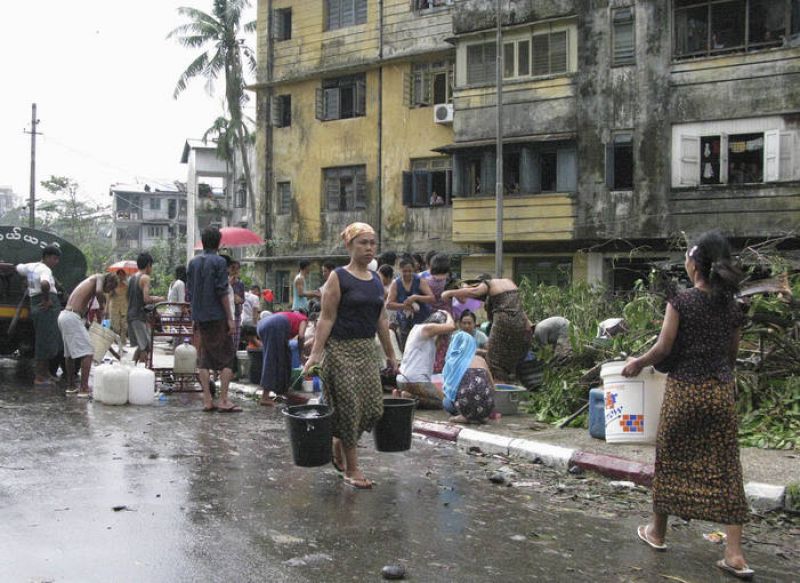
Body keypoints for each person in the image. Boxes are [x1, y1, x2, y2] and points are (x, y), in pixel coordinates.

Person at [621, 231, 752, 580]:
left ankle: (657, 532)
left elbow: (663, 349)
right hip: (720, 393)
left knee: (670, 460)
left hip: (684, 392)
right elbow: (732, 355)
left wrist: (638, 362)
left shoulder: (681, 302)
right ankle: (735, 554)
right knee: (726, 467)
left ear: (694, 264)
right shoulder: (735, 306)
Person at [303, 222, 397, 490]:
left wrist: (391, 355)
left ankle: (337, 441)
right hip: (341, 351)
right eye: (363, 243)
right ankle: (352, 469)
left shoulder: (377, 279)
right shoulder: (338, 277)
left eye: (372, 243)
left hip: (367, 351)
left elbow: (381, 319)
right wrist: (315, 356)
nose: (369, 248)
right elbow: (326, 318)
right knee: (349, 410)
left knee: (373, 409)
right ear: (349, 246)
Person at [187, 227, 241, 413]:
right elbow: (222, 292)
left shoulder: (193, 263)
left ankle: (208, 400)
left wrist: (195, 316)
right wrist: (230, 318)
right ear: (218, 243)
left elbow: (191, 292)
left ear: (203, 242)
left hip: (200, 316)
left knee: (204, 358)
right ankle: (224, 400)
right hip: (217, 316)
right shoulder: (219, 262)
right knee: (228, 359)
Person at [442, 274, 532, 383]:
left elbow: (474, 292)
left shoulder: (488, 283)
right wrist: (529, 327)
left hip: (503, 321)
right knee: (509, 359)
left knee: (495, 362)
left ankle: (499, 390)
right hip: (520, 323)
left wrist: (449, 293)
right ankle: (510, 383)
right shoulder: (509, 282)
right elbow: (520, 309)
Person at [57, 272, 119, 396]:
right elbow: (99, 292)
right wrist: (103, 306)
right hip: (71, 316)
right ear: (109, 281)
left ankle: (71, 387)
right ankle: (84, 388)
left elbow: (83, 312)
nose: (108, 291)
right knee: (88, 352)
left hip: (65, 316)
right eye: (110, 288)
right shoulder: (99, 277)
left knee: (69, 354)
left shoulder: (89, 284)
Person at [16, 245, 62, 387]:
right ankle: (40, 377)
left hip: (35, 303)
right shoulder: (45, 269)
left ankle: (46, 372)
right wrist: (47, 299)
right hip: (46, 306)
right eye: (54, 258)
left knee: (46, 339)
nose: (56, 262)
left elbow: (18, 267)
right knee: (44, 341)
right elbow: (44, 283)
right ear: (46, 257)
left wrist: (27, 282)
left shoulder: (30, 267)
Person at [394, 310, 455, 408]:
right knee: (447, 404)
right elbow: (451, 327)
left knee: (440, 400)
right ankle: (410, 397)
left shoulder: (417, 330)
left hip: (402, 380)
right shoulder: (426, 328)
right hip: (416, 381)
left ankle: (407, 396)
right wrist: (448, 314)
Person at [442, 331, 495, 424]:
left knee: (446, 402)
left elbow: (450, 389)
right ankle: (481, 416)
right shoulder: (480, 359)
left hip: (465, 405)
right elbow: (493, 386)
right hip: (486, 407)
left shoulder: (454, 361)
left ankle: (464, 416)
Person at [257, 310, 309, 406]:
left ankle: (283, 391)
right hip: (275, 325)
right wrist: (301, 354)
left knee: (284, 357)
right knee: (272, 360)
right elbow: (301, 336)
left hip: (262, 325)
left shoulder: (292, 315)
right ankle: (265, 397)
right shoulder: (303, 319)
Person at [386, 256, 435, 351]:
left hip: (421, 320)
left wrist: (416, 297)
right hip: (404, 322)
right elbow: (389, 304)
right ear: (400, 270)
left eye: (409, 271)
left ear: (413, 270)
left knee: (422, 350)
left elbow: (432, 298)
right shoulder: (396, 283)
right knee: (406, 350)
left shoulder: (419, 281)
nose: (407, 274)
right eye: (404, 271)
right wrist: (404, 306)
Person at [127, 253, 165, 366]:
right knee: (145, 347)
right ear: (148, 265)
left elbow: (129, 297)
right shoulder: (145, 278)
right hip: (138, 316)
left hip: (131, 314)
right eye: (151, 266)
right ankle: (140, 372)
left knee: (141, 345)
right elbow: (146, 299)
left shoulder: (132, 278)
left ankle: (131, 368)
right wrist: (158, 299)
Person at [425, 253, 454, 373]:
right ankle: (440, 373)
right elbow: (462, 300)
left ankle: (429, 371)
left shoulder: (426, 282)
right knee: (443, 348)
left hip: (429, 319)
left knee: (429, 347)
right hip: (446, 320)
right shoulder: (450, 283)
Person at [107, 269, 129, 351]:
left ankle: (122, 347)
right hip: (114, 309)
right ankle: (116, 345)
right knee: (116, 328)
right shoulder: (112, 286)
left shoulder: (127, 286)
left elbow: (129, 297)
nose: (121, 276)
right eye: (119, 274)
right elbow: (108, 297)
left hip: (124, 309)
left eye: (122, 274)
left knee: (124, 327)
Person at [229, 260, 245, 350]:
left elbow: (242, 299)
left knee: (236, 340)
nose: (235, 271)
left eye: (237, 269)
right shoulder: (224, 282)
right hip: (228, 314)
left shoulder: (240, 284)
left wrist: (238, 299)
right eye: (233, 268)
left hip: (237, 313)